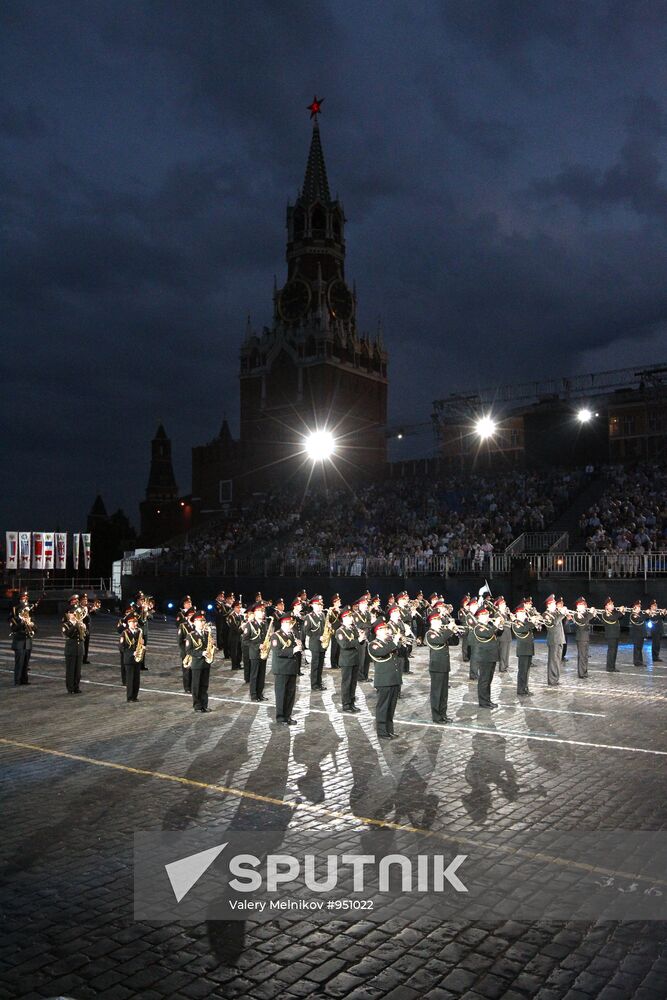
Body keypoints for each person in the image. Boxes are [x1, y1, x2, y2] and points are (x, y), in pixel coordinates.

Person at [368, 620, 401, 739]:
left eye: (386, 629)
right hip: (384, 680)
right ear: (377, 631)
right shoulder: (373, 644)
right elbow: (381, 652)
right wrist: (394, 642)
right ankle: (382, 732)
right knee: (383, 706)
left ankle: (389, 730)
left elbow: (399, 654)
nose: (387, 631)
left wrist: (399, 642)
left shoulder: (389, 642)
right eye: (383, 629)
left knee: (391, 706)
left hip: (393, 679)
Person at [270, 615, 302, 725]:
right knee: (281, 694)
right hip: (281, 669)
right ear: (283, 623)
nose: (291, 626)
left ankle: (288, 716)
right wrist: (293, 650)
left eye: (291, 624)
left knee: (290, 694)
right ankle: (280, 717)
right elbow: (278, 652)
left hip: (291, 668)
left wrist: (298, 646)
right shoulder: (276, 636)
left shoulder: (291, 634)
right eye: (289, 623)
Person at [425, 612, 455, 723]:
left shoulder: (442, 632)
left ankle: (443, 714)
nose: (440, 622)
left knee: (444, 693)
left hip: (444, 665)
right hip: (436, 666)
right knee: (436, 693)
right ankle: (436, 716)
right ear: (432, 622)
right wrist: (449, 630)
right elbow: (440, 641)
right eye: (437, 620)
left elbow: (454, 642)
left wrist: (454, 632)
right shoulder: (430, 634)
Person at [470, 605, 499, 708]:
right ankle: (483, 702)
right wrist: (495, 626)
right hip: (484, 657)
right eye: (485, 614)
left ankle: (488, 700)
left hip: (491, 656)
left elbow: (498, 634)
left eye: (487, 614)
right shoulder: (478, 627)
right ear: (480, 616)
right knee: (484, 680)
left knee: (489, 680)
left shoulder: (488, 626)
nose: (488, 616)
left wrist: (500, 626)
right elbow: (487, 634)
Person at [334, 606, 362, 713]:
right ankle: (346, 704)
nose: (352, 619)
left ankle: (352, 702)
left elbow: (358, 642)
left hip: (354, 658)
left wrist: (362, 639)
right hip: (346, 660)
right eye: (350, 617)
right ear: (344, 618)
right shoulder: (340, 631)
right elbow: (344, 645)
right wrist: (358, 640)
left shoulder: (353, 628)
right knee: (347, 683)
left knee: (353, 683)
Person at [186, 611, 214, 712]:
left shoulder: (207, 634)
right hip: (197, 664)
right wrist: (201, 653)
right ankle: (197, 706)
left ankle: (204, 705)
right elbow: (188, 650)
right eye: (200, 621)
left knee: (204, 685)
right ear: (194, 622)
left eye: (203, 621)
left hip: (206, 663)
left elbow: (210, 646)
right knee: (196, 686)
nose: (202, 623)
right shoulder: (191, 635)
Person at [243, 603, 270, 702]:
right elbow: (245, 640)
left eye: (263, 611)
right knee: (254, 675)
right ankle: (254, 695)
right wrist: (258, 646)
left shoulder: (263, 624)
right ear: (254, 613)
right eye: (259, 611)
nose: (262, 613)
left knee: (262, 674)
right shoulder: (249, 624)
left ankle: (260, 693)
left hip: (263, 653)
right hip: (254, 653)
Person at [8, 591, 35, 686]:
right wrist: (22, 622)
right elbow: (14, 628)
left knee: (26, 663)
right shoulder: (15, 617)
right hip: (19, 641)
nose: (25, 612)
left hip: (27, 641)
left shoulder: (29, 616)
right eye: (23, 598)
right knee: (19, 662)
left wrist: (31, 624)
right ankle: (17, 680)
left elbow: (36, 629)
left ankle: (24, 680)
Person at [511, 604, 538, 696]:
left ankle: (525, 688)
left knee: (526, 671)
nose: (524, 614)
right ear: (517, 614)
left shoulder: (525, 622)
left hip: (529, 649)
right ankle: (521, 690)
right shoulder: (516, 623)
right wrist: (532, 622)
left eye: (524, 612)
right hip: (523, 650)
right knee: (522, 671)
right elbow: (524, 629)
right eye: (522, 613)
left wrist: (533, 622)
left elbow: (530, 627)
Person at [304, 595, 327, 691]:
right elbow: (307, 631)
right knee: (315, 665)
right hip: (315, 643)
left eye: (320, 604)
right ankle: (314, 684)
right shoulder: (309, 617)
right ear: (313, 605)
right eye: (317, 604)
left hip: (322, 644)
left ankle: (319, 682)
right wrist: (318, 637)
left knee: (321, 665)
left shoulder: (322, 615)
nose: (319, 606)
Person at [119, 611, 143, 702]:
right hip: (129, 659)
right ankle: (129, 697)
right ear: (129, 623)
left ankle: (135, 696)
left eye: (136, 622)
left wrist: (142, 647)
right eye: (133, 622)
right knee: (130, 679)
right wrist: (132, 653)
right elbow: (121, 648)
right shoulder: (124, 633)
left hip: (137, 659)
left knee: (136, 679)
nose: (135, 624)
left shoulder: (138, 631)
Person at [543, 594, 566, 687]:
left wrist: (562, 614)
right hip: (553, 640)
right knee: (553, 660)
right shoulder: (546, 614)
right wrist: (562, 613)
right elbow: (555, 622)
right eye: (553, 604)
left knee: (557, 660)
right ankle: (551, 680)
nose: (555, 605)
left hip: (560, 639)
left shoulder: (556, 613)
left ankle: (556, 678)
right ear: (548, 605)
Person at [62, 607, 85, 694]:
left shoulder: (80, 623)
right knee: (70, 670)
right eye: (72, 614)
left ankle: (76, 687)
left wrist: (84, 628)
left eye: (75, 614)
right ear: (69, 615)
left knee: (78, 671)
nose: (73, 615)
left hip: (79, 650)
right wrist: (76, 625)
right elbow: (68, 634)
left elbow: (84, 636)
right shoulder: (66, 625)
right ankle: (70, 688)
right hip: (71, 650)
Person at [572, 598, 595, 678]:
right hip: (581, 638)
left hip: (586, 637)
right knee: (582, 656)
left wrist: (592, 613)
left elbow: (588, 618)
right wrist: (591, 613)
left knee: (585, 656)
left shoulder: (585, 613)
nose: (584, 606)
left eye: (584, 605)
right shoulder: (576, 615)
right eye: (582, 605)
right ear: (578, 607)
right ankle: (581, 673)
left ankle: (585, 672)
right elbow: (583, 621)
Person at [601, 598, 623, 672]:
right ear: (606, 606)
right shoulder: (605, 614)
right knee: (611, 651)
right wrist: (620, 611)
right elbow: (613, 618)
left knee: (615, 651)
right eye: (610, 604)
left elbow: (620, 617)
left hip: (616, 634)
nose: (612, 605)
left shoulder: (614, 612)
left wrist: (621, 611)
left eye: (612, 604)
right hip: (610, 635)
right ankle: (609, 667)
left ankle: (613, 666)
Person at [354, 596, 372, 681]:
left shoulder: (367, 613)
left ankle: (365, 675)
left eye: (366, 603)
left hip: (368, 637)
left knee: (367, 659)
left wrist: (368, 625)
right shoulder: (356, 614)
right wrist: (369, 625)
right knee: (361, 658)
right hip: (361, 639)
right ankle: (360, 676)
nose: (366, 605)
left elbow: (367, 624)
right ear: (360, 604)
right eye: (364, 603)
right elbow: (359, 625)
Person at [176, 605, 194, 693]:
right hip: (186, 652)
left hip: (195, 652)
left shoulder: (196, 626)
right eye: (190, 615)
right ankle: (187, 687)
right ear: (187, 616)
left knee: (194, 670)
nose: (192, 617)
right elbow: (180, 641)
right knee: (187, 670)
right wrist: (186, 652)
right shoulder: (183, 626)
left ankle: (193, 685)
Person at [494, 596, 512, 673]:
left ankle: (505, 665)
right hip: (502, 635)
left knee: (507, 652)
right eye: (503, 605)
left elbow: (510, 622)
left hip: (508, 635)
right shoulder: (497, 614)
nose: (505, 606)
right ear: (499, 605)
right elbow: (501, 624)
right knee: (503, 652)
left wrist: (509, 615)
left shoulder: (505, 613)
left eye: (504, 604)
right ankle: (502, 667)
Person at [628, 600, 647, 667]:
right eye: (638, 607)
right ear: (634, 607)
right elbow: (639, 619)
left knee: (640, 648)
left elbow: (646, 617)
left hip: (641, 634)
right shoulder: (633, 615)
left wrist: (648, 613)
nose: (639, 608)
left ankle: (640, 661)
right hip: (636, 635)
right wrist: (646, 613)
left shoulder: (640, 614)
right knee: (637, 648)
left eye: (640, 607)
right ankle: (636, 662)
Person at [228, 601, 244, 670]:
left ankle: (238, 664)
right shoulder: (232, 616)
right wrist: (242, 629)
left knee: (239, 651)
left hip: (239, 636)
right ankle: (234, 666)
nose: (239, 609)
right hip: (233, 637)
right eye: (238, 607)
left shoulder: (240, 616)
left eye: (240, 607)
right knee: (234, 652)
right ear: (234, 608)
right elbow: (235, 628)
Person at [328, 594, 342, 668]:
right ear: (334, 602)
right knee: (334, 647)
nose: (340, 602)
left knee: (339, 648)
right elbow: (330, 620)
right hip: (334, 630)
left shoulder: (340, 610)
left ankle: (338, 662)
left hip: (339, 630)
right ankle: (333, 663)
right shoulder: (331, 610)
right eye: (338, 601)